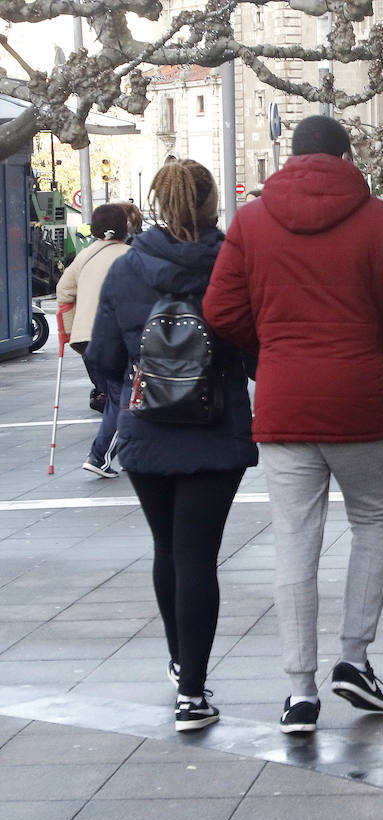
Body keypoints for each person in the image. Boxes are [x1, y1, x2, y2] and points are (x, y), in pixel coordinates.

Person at [203, 115, 383, 734]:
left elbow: (220, 308)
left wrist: (274, 347)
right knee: (371, 522)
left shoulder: (251, 221)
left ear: (292, 159)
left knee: (294, 543)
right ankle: (354, 659)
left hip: (284, 402)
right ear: (345, 156)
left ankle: (299, 692)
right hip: (359, 400)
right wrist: (371, 346)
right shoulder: (382, 221)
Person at [86, 160, 257, 733]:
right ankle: (191, 693)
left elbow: (104, 356)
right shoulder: (233, 265)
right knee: (197, 555)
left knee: (167, 549)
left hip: (147, 432)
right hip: (216, 432)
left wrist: (131, 385)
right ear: (212, 206)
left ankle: (182, 664)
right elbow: (254, 351)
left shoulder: (128, 268)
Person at [56, 203, 135, 478]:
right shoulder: (130, 255)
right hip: (118, 336)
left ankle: (120, 453)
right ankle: (100, 455)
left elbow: (63, 291)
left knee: (115, 395)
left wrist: (73, 327)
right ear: (125, 227)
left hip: (87, 340)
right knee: (121, 396)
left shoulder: (84, 256)